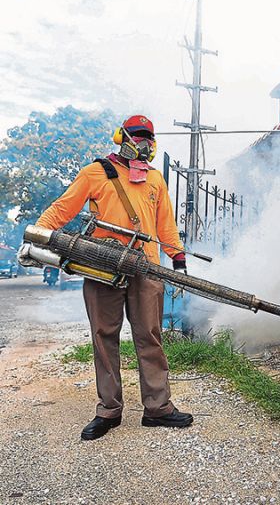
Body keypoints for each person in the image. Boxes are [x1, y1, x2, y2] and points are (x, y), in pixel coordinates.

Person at [36, 115, 193, 440]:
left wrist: (177, 257)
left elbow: (165, 223)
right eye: (137, 136)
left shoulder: (155, 179)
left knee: (150, 336)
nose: (144, 143)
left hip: (146, 268)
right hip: (101, 267)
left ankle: (158, 408)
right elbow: (63, 208)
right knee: (104, 338)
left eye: (149, 138)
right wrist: (37, 235)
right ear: (121, 137)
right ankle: (109, 411)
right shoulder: (96, 172)